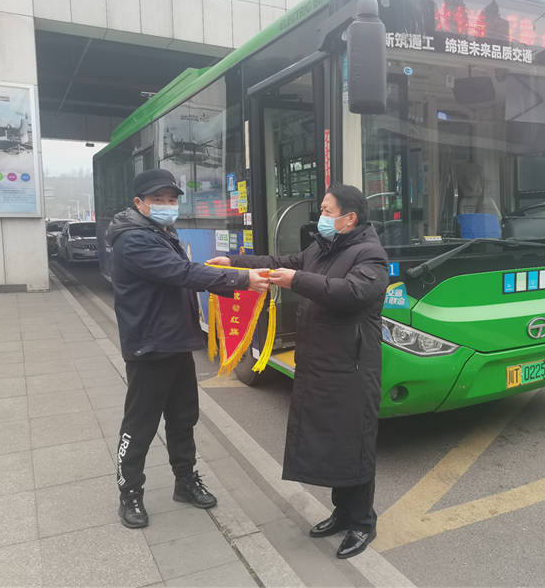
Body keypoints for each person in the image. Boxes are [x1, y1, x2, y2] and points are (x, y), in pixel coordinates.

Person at [207, 183, 389, 558]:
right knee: (333, 443)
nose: (320, 216)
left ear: (349, 218)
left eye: (326, 210)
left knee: (354, 443)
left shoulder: (370, 255)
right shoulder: (322, 248)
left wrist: (296, 280)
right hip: (321, 364)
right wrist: (236, 262)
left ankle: (362, 522)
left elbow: (350, 293)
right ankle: (342, 513)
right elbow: (281, 261)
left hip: (352, 368)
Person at [107, 168, 269, 529]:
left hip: (176, 342)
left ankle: (185, 481)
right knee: (140, 425)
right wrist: (242, 279)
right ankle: (129, 493)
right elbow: (181, 274)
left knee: (183, 418)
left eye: (171, 199)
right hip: (150, 347)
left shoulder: (161, 232)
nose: (167, 205)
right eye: (158, 199)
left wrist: (224, 275)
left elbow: (182, 273)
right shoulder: (133, 240)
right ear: (139, 203)